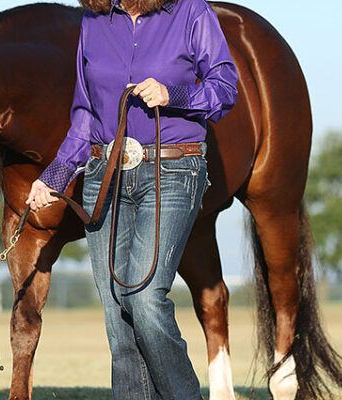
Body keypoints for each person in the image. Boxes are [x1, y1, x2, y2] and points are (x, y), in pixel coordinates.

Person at [26, 0, 238, 398]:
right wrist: (54, 176)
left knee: (143, 297)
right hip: (104, 173)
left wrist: (172, 93)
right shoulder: (94, 21)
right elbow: (85, 113)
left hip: (173, 170)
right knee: (116, 316)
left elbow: (225, 90)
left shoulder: (192, 12)